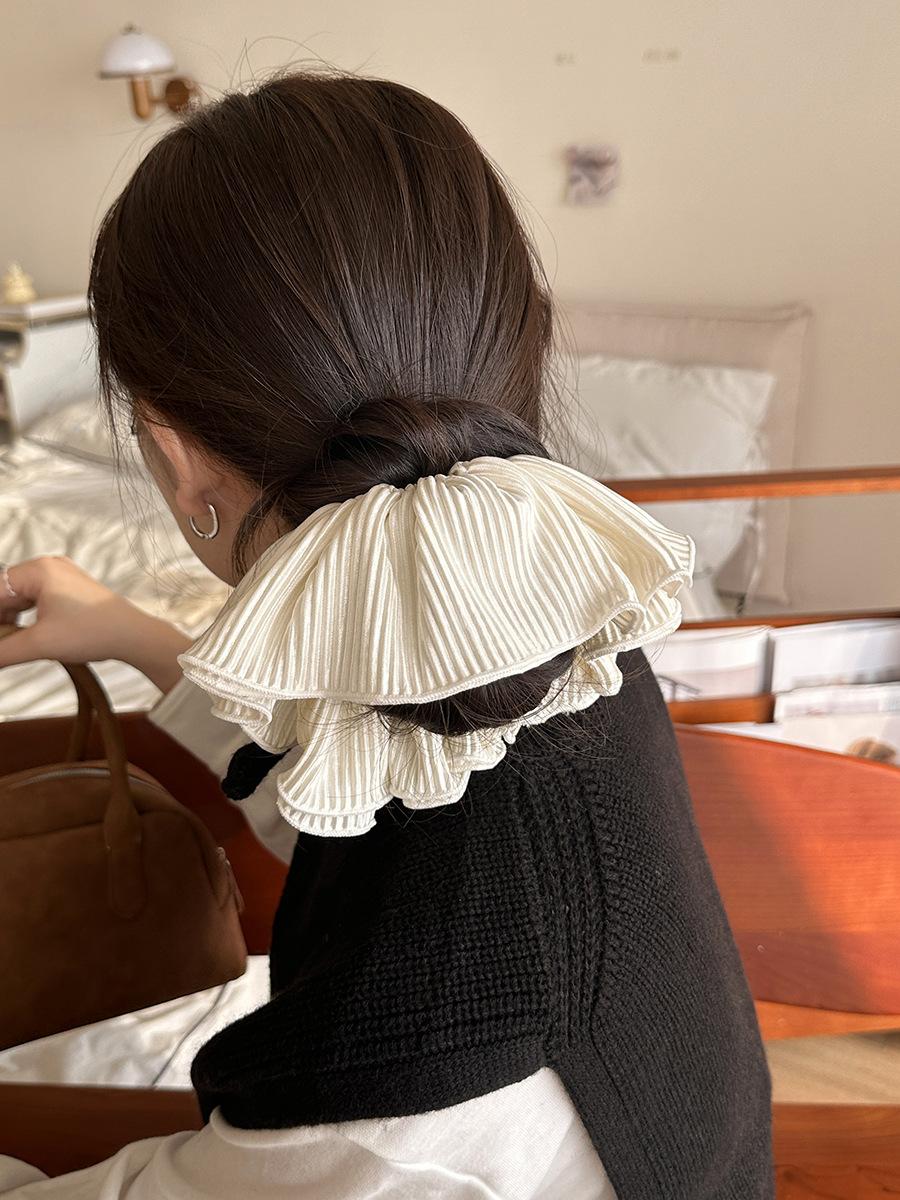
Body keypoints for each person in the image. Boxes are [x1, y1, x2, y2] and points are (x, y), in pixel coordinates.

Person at [0, 72, 773, 1198]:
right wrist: (133, 632)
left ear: (173, 452)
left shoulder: (395, 1091)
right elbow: (372, 785)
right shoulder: (577, 627)